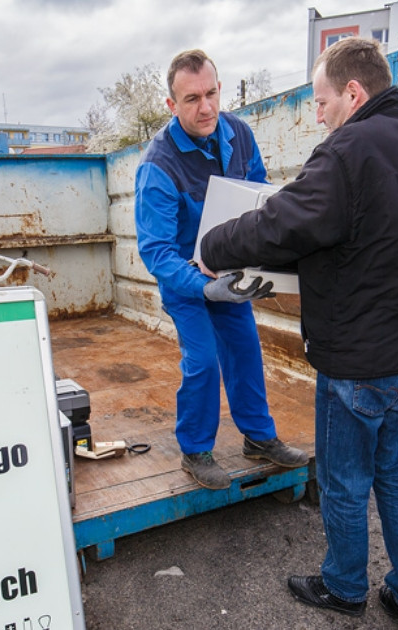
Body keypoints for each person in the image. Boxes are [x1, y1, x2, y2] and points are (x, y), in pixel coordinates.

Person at [200, 37, 398, 628]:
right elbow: (369, 235)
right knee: (394, 472)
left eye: (320, 101)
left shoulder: (349, 149)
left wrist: (214, 246)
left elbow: (283, 223)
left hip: (360, 356)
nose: (318, 114)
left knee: (344, 479)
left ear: (353, 92)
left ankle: (344, 586)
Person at [134, 49, 308, 490]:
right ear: (172, 106)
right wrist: (203, 287)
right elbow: (156, 251)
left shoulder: (239, 134)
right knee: (204, 360)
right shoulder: (158, 165)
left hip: (229, 274)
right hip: (185, 279)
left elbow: (260, 199)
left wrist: (264, 267)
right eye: (191, 99)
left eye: (211, 93)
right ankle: (195, 450)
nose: (206, 107)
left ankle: (258, 437)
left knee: (246, 349)